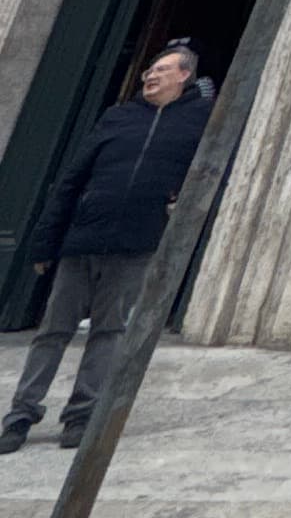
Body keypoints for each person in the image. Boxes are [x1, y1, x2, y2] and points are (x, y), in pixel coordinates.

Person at [1, 43, 213, 454]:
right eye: (149, 70)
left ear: (184, 75)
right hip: (83, 239)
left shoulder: (199, 121)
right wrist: (47, 242)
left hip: (135, 243)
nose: (150, 76)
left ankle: (81, 416)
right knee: (52, 331)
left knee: (109, 331)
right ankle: (20, 414)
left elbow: (211, 173)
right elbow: (72, 180)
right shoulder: (118, 117)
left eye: (162, 70)